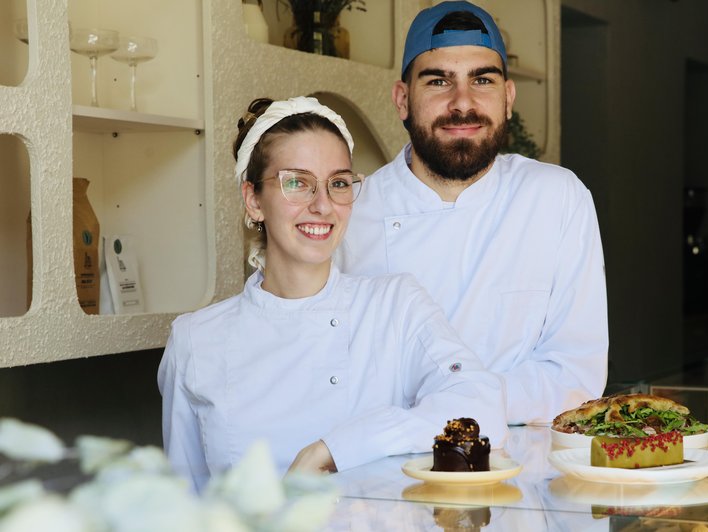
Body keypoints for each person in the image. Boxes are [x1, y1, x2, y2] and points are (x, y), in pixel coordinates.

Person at [157, 96, 508, 492]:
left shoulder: (394, 306)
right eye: (297, 183)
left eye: (338, 183)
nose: (322, 205)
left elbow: (482, 405)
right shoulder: (195, 340)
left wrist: (332, 449)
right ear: (254, 200)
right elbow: (183, 505)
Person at [337, 1, 609, 425]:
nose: (462, 103)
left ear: (508, 97)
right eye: (438, 81)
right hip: (389, 470)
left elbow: (575, 376)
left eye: (482, 79)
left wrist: (457, 402)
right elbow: (333, 371)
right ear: (403, 99)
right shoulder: (351, 211)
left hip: (521, 471)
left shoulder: (557, 197)